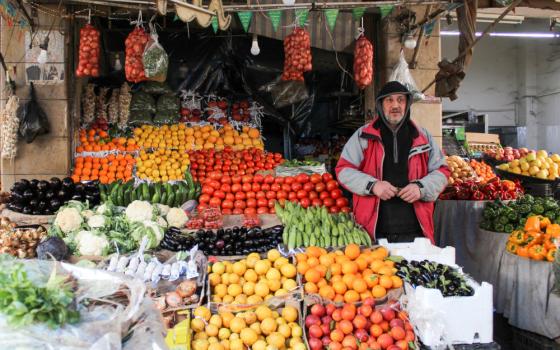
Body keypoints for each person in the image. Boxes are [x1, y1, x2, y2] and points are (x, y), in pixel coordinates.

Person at [335, 81, 449, 243]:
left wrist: (421, 187)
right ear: (381, 105)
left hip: (416, 230)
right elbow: (343, 170)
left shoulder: (422, 137)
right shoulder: (363, 136)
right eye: (389, 100)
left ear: (407, 104)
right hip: (373, 230)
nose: (395, 105)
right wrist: (372, 185)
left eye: (400, 100)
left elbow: (442, 171)